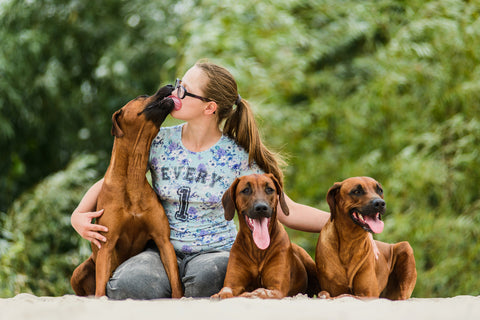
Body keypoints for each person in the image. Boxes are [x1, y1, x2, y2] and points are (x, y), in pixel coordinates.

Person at [71, 59, 330, 300]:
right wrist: (79, 215)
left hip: (215, 252)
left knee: (206, 280)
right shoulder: (160, 141)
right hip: (163, 251)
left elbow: (288, 210)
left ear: (209, 107)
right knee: (128, 284)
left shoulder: (236, 157)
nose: (174, 94)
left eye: (184, 90)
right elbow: (119, 179)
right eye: (178, 84)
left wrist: (346, 225)